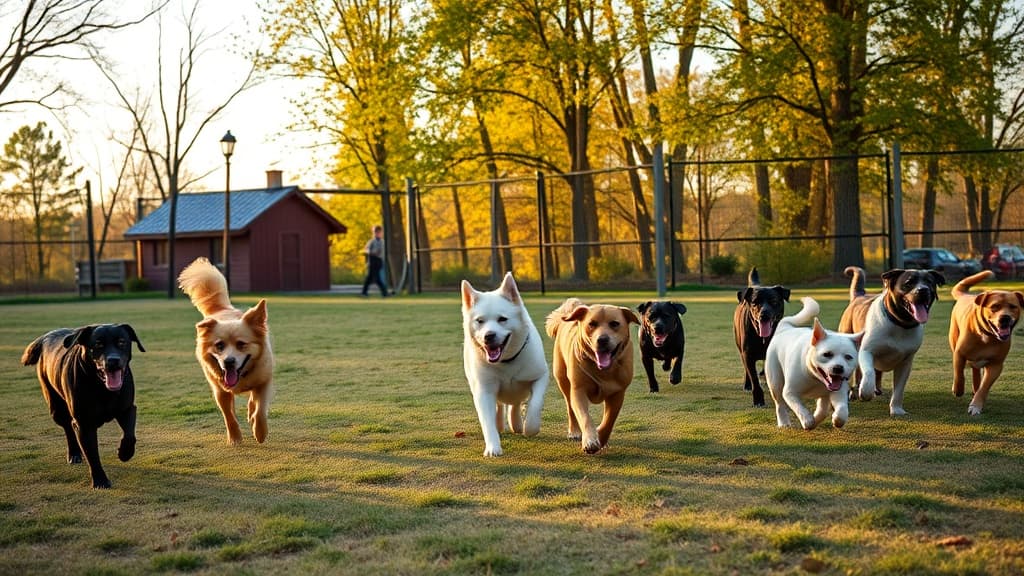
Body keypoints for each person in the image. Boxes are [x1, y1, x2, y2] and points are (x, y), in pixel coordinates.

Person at [361, 224, 389, 297]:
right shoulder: (371, 241)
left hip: (378, 261)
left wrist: (375, 253)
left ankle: (365, 292)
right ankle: (384, 293)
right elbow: (366, 250)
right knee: (372, 277)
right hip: (372, 260)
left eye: (378, 232)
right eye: (375, 232)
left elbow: (380, 252)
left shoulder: (382, 242)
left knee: (375, 278)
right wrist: (371, 252)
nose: (377, 234)